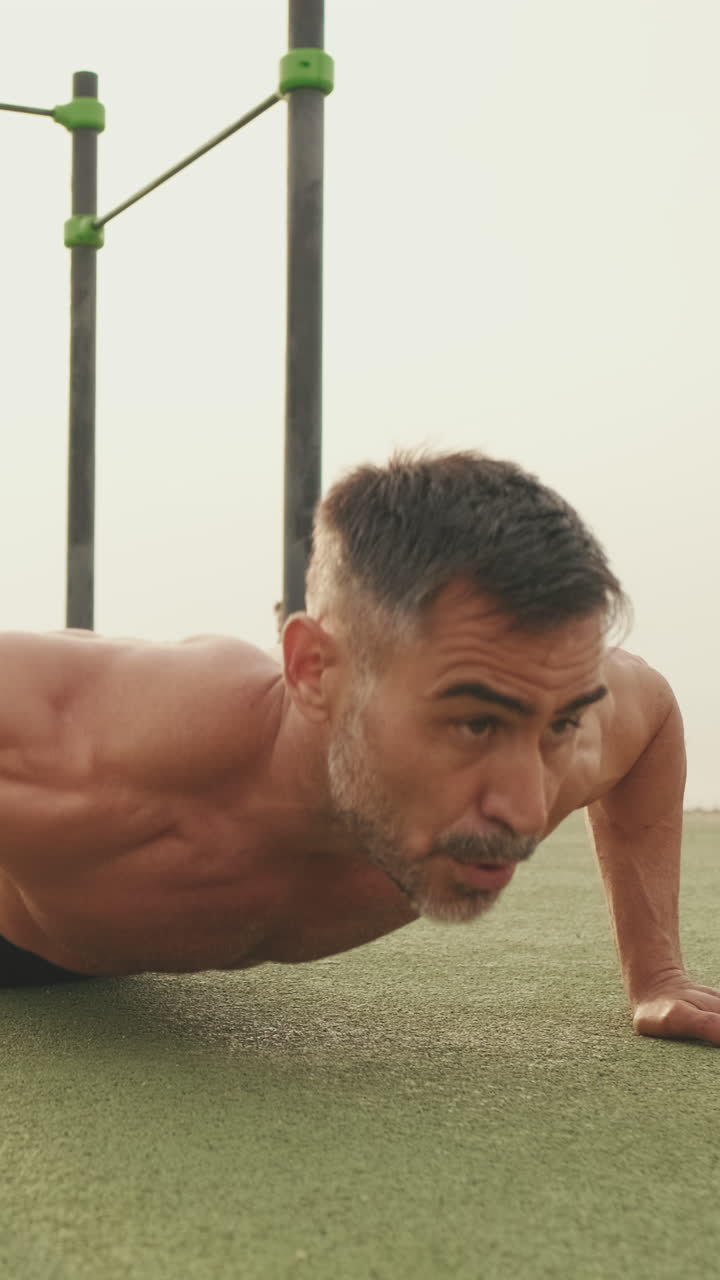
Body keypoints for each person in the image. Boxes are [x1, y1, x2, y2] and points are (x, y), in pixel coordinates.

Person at [1, 450, 718, 1047]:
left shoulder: (540, 710)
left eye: (560, 726)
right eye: (475, 725)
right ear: (313, 670)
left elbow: (651, 714)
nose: (528, 811)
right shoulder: (80, 744)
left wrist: (657, 974)